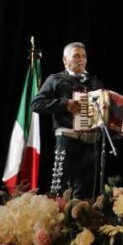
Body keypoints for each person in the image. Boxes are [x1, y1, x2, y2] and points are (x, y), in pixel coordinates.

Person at [32, 42, 105, 197]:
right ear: (65, 60)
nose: (81, 59)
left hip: (92, 144)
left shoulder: (94, 82)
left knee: (86, 195)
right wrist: (65, 104)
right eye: (76, 56)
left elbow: (102, 113)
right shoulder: (56, 79)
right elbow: (36, 104)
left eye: (84, 56)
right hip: (68, 140)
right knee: (61, 192)